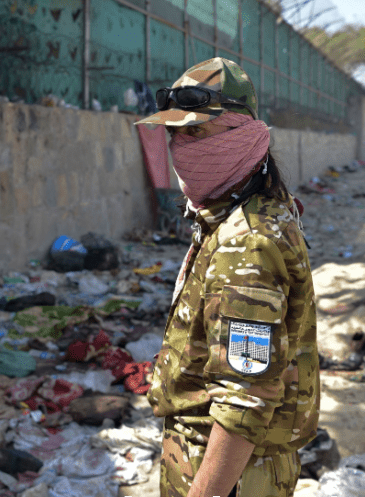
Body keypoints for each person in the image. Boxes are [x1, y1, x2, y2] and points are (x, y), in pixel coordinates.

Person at [134, 57, 320, 497]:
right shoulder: (243, 214)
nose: (180, 147)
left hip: (227, 475)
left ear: (244, 135)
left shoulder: (247, 244)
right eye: (174, 133)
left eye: (195, 131)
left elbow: (246, 397)